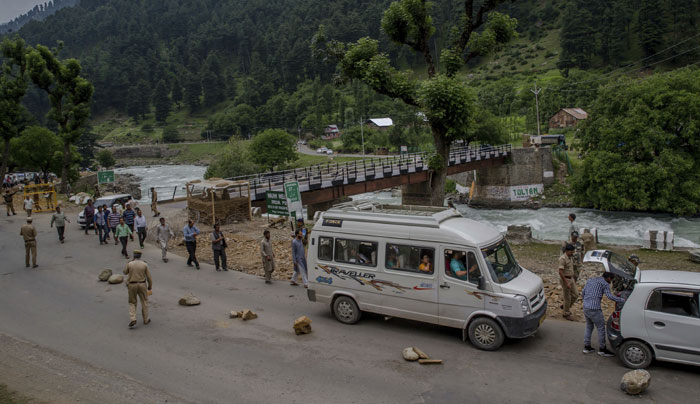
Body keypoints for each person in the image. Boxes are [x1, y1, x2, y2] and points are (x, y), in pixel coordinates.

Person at [581, 272, 626, 356]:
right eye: (611, 279)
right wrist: (622, 300)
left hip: (586, 307)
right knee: (601, 328)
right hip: (595, 308)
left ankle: (587, 347)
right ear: (608, 278)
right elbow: (610, 296)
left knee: (589, 326)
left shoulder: (591, 280)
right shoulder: (604, 283)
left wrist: (586, 301)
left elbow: (583, 292)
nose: (611, 281)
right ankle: (602, 349)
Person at [124, 249, 153, 328]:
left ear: (134, 256)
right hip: (142, 284)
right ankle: (146, 319)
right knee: (144, 301)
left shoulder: (130, 264)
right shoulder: (144, 264)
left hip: (132, 285)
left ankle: (133, 318)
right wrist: (150, 286)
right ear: (140, 256)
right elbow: (149, 277)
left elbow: (125, 272)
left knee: (132, 302)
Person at [559, 244, 579, 321]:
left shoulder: (570, 258)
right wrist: (566, 282)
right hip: (566, 279)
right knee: (567, 297)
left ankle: (565, 306)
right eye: (571, 252)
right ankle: (566, 313)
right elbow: (560, 272)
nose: (572, 253)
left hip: (571, 279)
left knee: (576, 294)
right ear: (567, 251)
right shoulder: (562, 259)